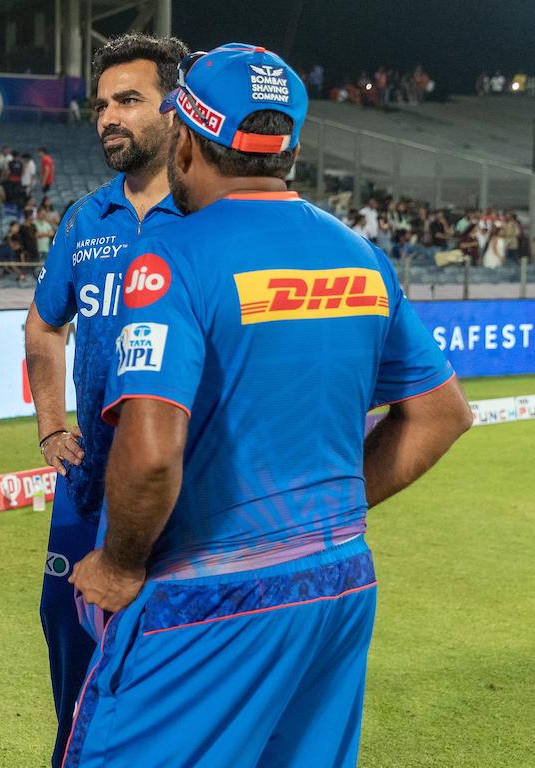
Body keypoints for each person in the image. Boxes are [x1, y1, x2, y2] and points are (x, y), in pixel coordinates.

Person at [62, 43, 472, 768]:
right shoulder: (359, 254)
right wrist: (318, 514)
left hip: (206, 597)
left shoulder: (169, 259)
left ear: (185, 140)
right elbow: (442, 414)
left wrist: (121, 565)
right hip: (338, 582)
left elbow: (151, 454)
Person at [24, 33, 186, 768]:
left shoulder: (208, 216)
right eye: (101, 104)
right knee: (69, 634)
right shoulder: (86, 219)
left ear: (178, 111)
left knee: (172, 657)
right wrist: (52, 426)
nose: (107, 118)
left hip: (185, 485)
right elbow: (43, 324)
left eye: (128, 101)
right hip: (89, 486)